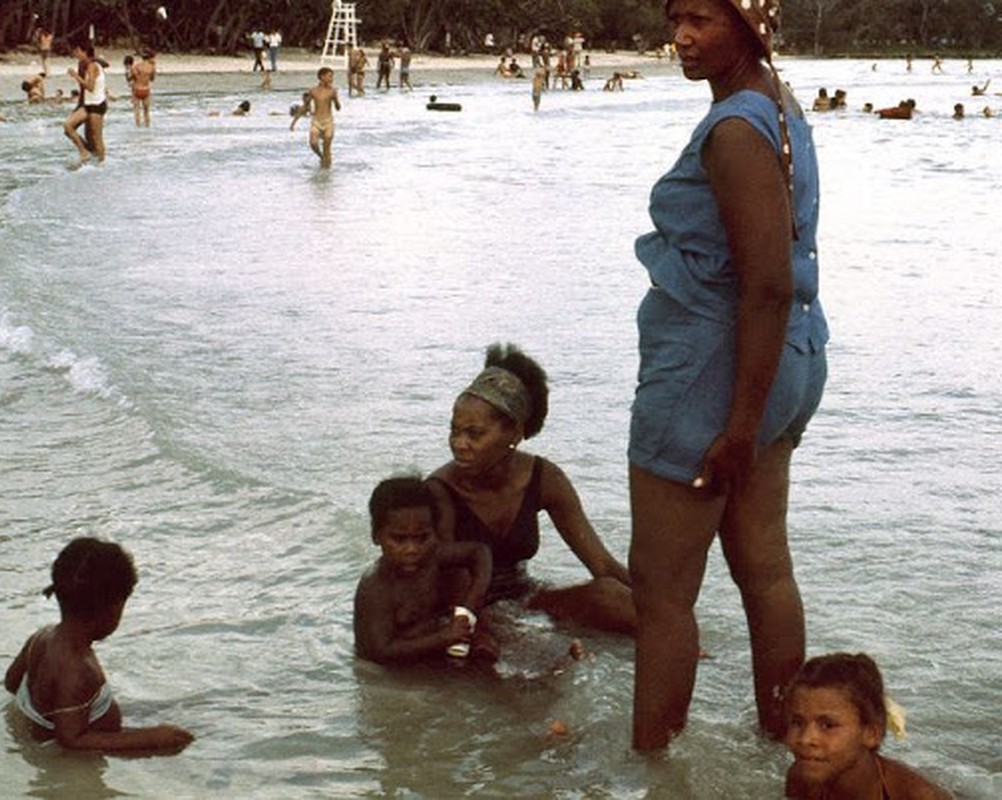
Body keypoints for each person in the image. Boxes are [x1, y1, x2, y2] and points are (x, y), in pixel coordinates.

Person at [629, 0, 829, 752]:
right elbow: (780, 283)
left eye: (704, 20)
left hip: (713, 375)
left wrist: (738, 427)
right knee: (765, 568)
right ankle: (788, 749)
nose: (681, 35)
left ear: (750, 29)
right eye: (676, 16)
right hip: (788, 357)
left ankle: (650, 769)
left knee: (662, 591)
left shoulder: (735, 131)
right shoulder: (777, 106)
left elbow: (766, 284)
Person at [427, 345, 636, 634]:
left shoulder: (544, 477)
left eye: (474, 434)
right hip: (467, 609)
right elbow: (452, 593)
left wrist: (666, 614)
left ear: (514, 432)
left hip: (523, 598)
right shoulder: (439, 491)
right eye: (454, 430)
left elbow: (603, 567)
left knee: (611, 596)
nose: (459, 444)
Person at [4, 537, 195, 754]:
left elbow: (11, 683)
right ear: (112, 609)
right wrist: (149, 738)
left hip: (69, 722)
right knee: (182, 737)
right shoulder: (78, 670)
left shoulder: (41, 637)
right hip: (75, 755)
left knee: (180, 711)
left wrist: (45, 707)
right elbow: (72, 739)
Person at [353, 476, 494, 666]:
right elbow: (380, 652)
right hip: (394, 676)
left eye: (422, 537)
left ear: (435, 532)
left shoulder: (432, 558)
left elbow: (479, 552)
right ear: (376, 536)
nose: (412, 549)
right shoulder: (376, 587)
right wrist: (443, 638)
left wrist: (470, 605)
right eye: (399, 539)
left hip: (437, 653)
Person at [785, 653, 952, 799]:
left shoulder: (917, 795)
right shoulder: (802, 777)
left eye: (827, 725)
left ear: (872, 734)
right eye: (797, 723)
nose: (806, 739)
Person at [64, 38, 106, 164]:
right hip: (87, 105)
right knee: (68, 126)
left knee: (96, 138)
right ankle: (84, 152)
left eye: (77, 51)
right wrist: (79, 105)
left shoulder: (92, 66)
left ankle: (101, 165)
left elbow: (90, 87)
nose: (75, 54)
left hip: (97, 105)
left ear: (84, 51)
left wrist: (75, 76)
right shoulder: (85, 64)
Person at [307, 66, 340, 168]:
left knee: (327, 147)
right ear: (322, 77)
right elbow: (306, 105)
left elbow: (338, 108)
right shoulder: (312, 90)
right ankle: (321, 156)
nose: (332, 79)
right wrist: (295, 120)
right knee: (313, 143)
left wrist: (336, 100)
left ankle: (327, 173)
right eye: (329, 76)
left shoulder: (333, 91)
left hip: (328, 121)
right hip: (316, 121)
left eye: (332, 77)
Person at [128, 51, 155, 127]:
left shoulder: (136, 66)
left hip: (137, 89)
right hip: (146, 89)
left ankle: (138, 127)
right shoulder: (152, 67)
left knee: (137, 111)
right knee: (146, 112)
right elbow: (152, 79)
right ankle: (147, 126)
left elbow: (131, 78)